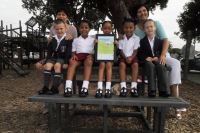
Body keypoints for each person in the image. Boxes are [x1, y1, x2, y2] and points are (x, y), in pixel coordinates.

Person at [133, 4, 184, 118]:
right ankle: (156, 92)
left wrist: (162, 55)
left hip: (162, 54)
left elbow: (165, 40)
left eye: (144, 10)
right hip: (148, 59)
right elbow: (136, 45)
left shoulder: (155, 23)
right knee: (154, 67)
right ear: (136, 14)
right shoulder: (135, 28)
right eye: (139, 11)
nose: (143, 13)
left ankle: (175, 101)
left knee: (175, 64)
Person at [38, 19, 73, 95]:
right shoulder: (52, 39)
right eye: (57, 29)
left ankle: (54, 88)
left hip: (62, 58)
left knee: (57, 66)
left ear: (65, 28)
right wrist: (46, 61)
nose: (59, 31)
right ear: (54, 29)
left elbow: (68, 52)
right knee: (47, 66)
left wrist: (66, 62)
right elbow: (49, 52)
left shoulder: (68, 39)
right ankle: (45, 87)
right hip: (54, 58)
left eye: (61, 29)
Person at [138, 19, 169, 97]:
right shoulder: (142, 41)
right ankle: (152, 90)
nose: (149, 28)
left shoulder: (159, 41)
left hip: (157, 59)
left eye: (151, 26)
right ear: (144, 30)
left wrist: (157, 57)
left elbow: (161, 51)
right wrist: (146, 58)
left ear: (155, 28)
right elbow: (140, 53)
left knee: (161, 65)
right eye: (147, 27)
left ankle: (163, 90)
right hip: (147, 61)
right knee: (150, 66)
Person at [64, 20, 94, 97]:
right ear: (79, 29)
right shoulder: (76, 40)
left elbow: (95, 51)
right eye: (82, 27)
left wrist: (91, 55)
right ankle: (68, 87)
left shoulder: (93, 40)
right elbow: (73, 50)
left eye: (86, 27)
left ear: (89, 29)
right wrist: (73, 55)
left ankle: (85, 87)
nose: (84, 29)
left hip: (88, 56)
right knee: (72, 61)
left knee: (89, 62)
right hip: (78, 56)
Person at [118, 18, 140, 97]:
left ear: (134, 28)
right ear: (123, 28)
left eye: (131, 27)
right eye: (126, 27)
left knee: (135, 65)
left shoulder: (136, 38)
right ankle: (123, 87)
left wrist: (131, 57)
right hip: (124, 56)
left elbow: (135, 50)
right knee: (122, 65)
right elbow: (120, 50)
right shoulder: (121, 38)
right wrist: (126, 58)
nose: (128, 29)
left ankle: (134, 87)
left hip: (133, 56)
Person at [95, 21, 116, 98]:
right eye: (105, 28)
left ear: (111, 29)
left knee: (108, 64)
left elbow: (116, 51)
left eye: (109, 28)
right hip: (101, 58)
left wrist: (116, 44)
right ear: (102, 29)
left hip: (110, 58)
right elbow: (95, 51)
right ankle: (99, 87)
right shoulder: (98, 38)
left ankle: (108, 88)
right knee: (102, 64)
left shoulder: (113, 39)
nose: (107, 30)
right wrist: (95, 44)